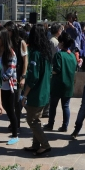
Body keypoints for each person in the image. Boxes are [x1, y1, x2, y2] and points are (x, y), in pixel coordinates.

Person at [21, 23, 53, 156]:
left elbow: (33, 77)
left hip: (36, 94)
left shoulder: (35, 54)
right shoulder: (46, 53)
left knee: (32, 121)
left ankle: (45, 145)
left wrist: (25, 95)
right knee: (36, 120)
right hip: (44, 92)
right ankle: (35, 145)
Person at [46, 32, 77, 133]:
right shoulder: (72, 56)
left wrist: (50, 71)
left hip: (58, 85)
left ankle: (50, 124)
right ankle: (65, 126)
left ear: (62, 43)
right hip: (69, 85)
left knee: (53, 105)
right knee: (66, 106)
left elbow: (56, 69)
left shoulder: (59, 55)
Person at [0, 27, 19, 145]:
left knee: (10, 111)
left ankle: (15, 134)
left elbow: (10, 72)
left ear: (4, 38)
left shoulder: (10, 53)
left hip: (8, 87)